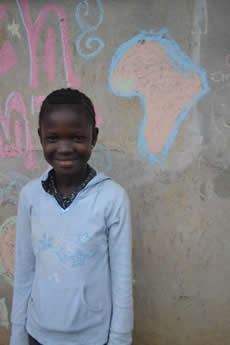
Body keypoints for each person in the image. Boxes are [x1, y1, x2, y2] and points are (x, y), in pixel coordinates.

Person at [10, 88, 133, 345]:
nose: (64, 148)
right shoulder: (30, 196)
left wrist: (120, 338)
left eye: (77, 137)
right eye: (53, 137)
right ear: (40, 138)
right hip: (37, 335)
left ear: (94, 137)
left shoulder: (112, 198)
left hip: (92, 337)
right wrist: (18, 335)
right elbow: (24, 272)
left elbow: (121, 278)